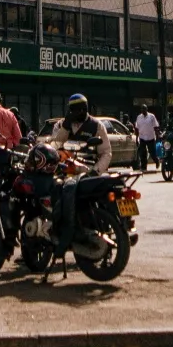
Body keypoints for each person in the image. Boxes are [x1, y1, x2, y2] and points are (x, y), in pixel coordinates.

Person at [49, 94, 114, 256]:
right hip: (66, 170)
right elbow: (54, 146)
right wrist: (65, 127)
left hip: (89, 170)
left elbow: (106, 153)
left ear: (85, 109)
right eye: (72, 110)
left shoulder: (97, 126)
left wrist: (96, 171)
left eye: (79, 110)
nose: (76, 113)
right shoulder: (61, 125)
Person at [134, 106, 160, 171]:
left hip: (150, 137)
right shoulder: (139, 117)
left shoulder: (152, 116)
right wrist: (137, 138)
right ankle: (143, 167)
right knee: (143, 153)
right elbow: (137, 128)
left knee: (152, 153)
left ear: (146, 109)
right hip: (142, 137)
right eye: (142, 109)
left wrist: (157, 136)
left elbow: (155, 127)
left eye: (144, 109)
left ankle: (156, 161)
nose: (143, 110)